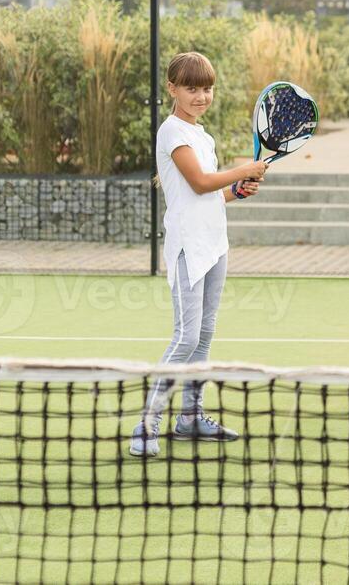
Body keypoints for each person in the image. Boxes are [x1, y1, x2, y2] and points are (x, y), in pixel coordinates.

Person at [130, 52, 267, 458]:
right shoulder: (172, 132)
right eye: (191, 88)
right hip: (189, 245)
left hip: (215, 243)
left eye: (206, 88)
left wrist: (236, 191)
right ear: (172, 88)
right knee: (186, 336)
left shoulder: (202, 136)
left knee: (205, 335)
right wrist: (244, 169)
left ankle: (190, 416)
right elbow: (200, 181)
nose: (200, 96)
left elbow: (208, 195)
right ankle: (147, 422)